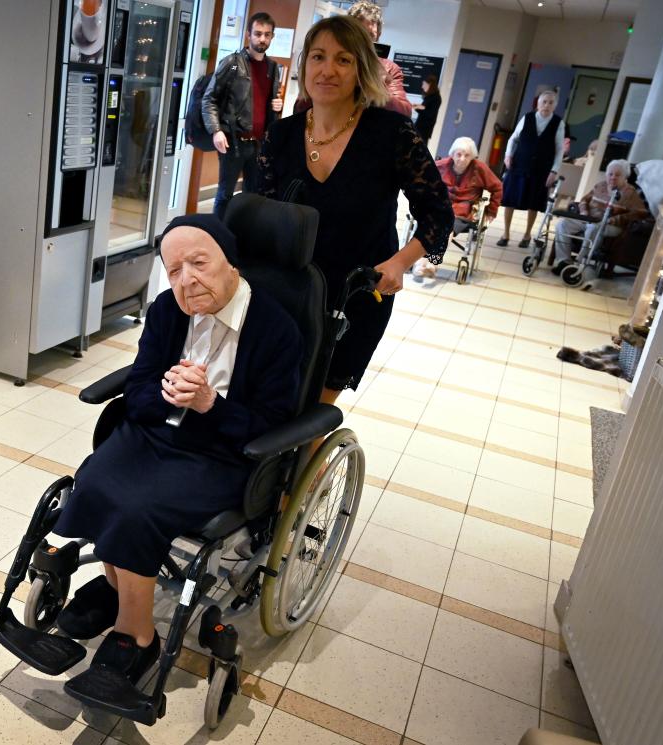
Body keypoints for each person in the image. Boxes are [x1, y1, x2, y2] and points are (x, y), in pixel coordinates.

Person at [52, 214, 302, 689]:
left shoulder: (275, 328)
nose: (186, 279)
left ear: (230, 264)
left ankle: (137, 636)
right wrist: (166, 394)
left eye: (199, 262)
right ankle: (117, 591)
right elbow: (141, 383)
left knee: (137, 509)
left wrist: (210, 404)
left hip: (222, 451)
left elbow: (271, 425)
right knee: (95, 482)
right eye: (173, 270)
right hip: (154, 432)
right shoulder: (169, 310)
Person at [259, 16, 451, 402]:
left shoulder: (391, 134)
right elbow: (259, 217)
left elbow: (438, 213)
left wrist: (400, 262)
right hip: (286, 291)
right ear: (304, 66)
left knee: (313, 410)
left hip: (358, 293)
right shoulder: (281, 136)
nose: (328, 70)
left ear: (361, 69)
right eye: (318, 57)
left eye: (343, 59)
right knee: (266, 397)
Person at [202, 12, 284, 219]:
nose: (262, 39)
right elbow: (209, 99)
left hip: (259, 144)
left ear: (272, 37)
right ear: (249, 35)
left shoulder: (274, 68)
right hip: (233, 142)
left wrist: (277, 106)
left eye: (267, 34)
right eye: (257, 34)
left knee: (253, 195)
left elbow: (267, 104)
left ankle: (243, 237)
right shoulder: (232, 63)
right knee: (225, 195)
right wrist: (216, 131)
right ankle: (217, 236)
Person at [292, 1, 411, 118]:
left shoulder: (388, 68)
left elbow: (404, 113)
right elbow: (300, 109)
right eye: (358, 34)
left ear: (378, 35)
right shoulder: (329, 63)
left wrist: (377, 89)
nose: (363, 42)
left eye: (370, 36)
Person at [412, 136, 503, 280]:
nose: (462, 159)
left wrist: (491, 211)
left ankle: (429, 262)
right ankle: (424, 262)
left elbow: (497, 187)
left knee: (446, 228)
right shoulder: (440, 166)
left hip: (461, 212)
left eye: (467, 155)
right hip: (439, 207)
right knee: (430, 224)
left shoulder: (479, 169)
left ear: (472, 157)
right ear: (452, 154)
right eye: (459, 154)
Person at [552, 159, 650, 274]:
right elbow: (584, 200)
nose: (613, 177)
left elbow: (641, 212)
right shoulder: (600, 186)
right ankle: (564, 262)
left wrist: (615, 219)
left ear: (625, 177)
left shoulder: (630, 193)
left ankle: (580, 263)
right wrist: (584, 212)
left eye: (618, 175)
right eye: (610, 174)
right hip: (589, 219)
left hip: (611, 225)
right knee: (563, 225)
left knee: (593, 229)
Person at [498, 89, 565, 248]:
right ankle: (505, 233)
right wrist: (508, 156)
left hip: (542, 169)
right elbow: (513, 139)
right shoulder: (527, 118)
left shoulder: (558, 123)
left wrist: (554, 171)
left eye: (550, 103)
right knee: (510, 200)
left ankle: (527, 234)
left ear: (555, 106)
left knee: (534, 203)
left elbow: (559, 149)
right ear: (538, 103)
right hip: (519, 164)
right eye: (544, 102)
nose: (547, 105)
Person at [413, 75, 441, 143]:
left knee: (420, 147)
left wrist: (421, 108)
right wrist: (418, 107)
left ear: (430, 84)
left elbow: (430, 114)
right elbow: (424, 109)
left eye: (424, 84)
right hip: (420, 127)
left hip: (425, 129)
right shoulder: (429, 96)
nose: (422, 86)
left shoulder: (436, 98)